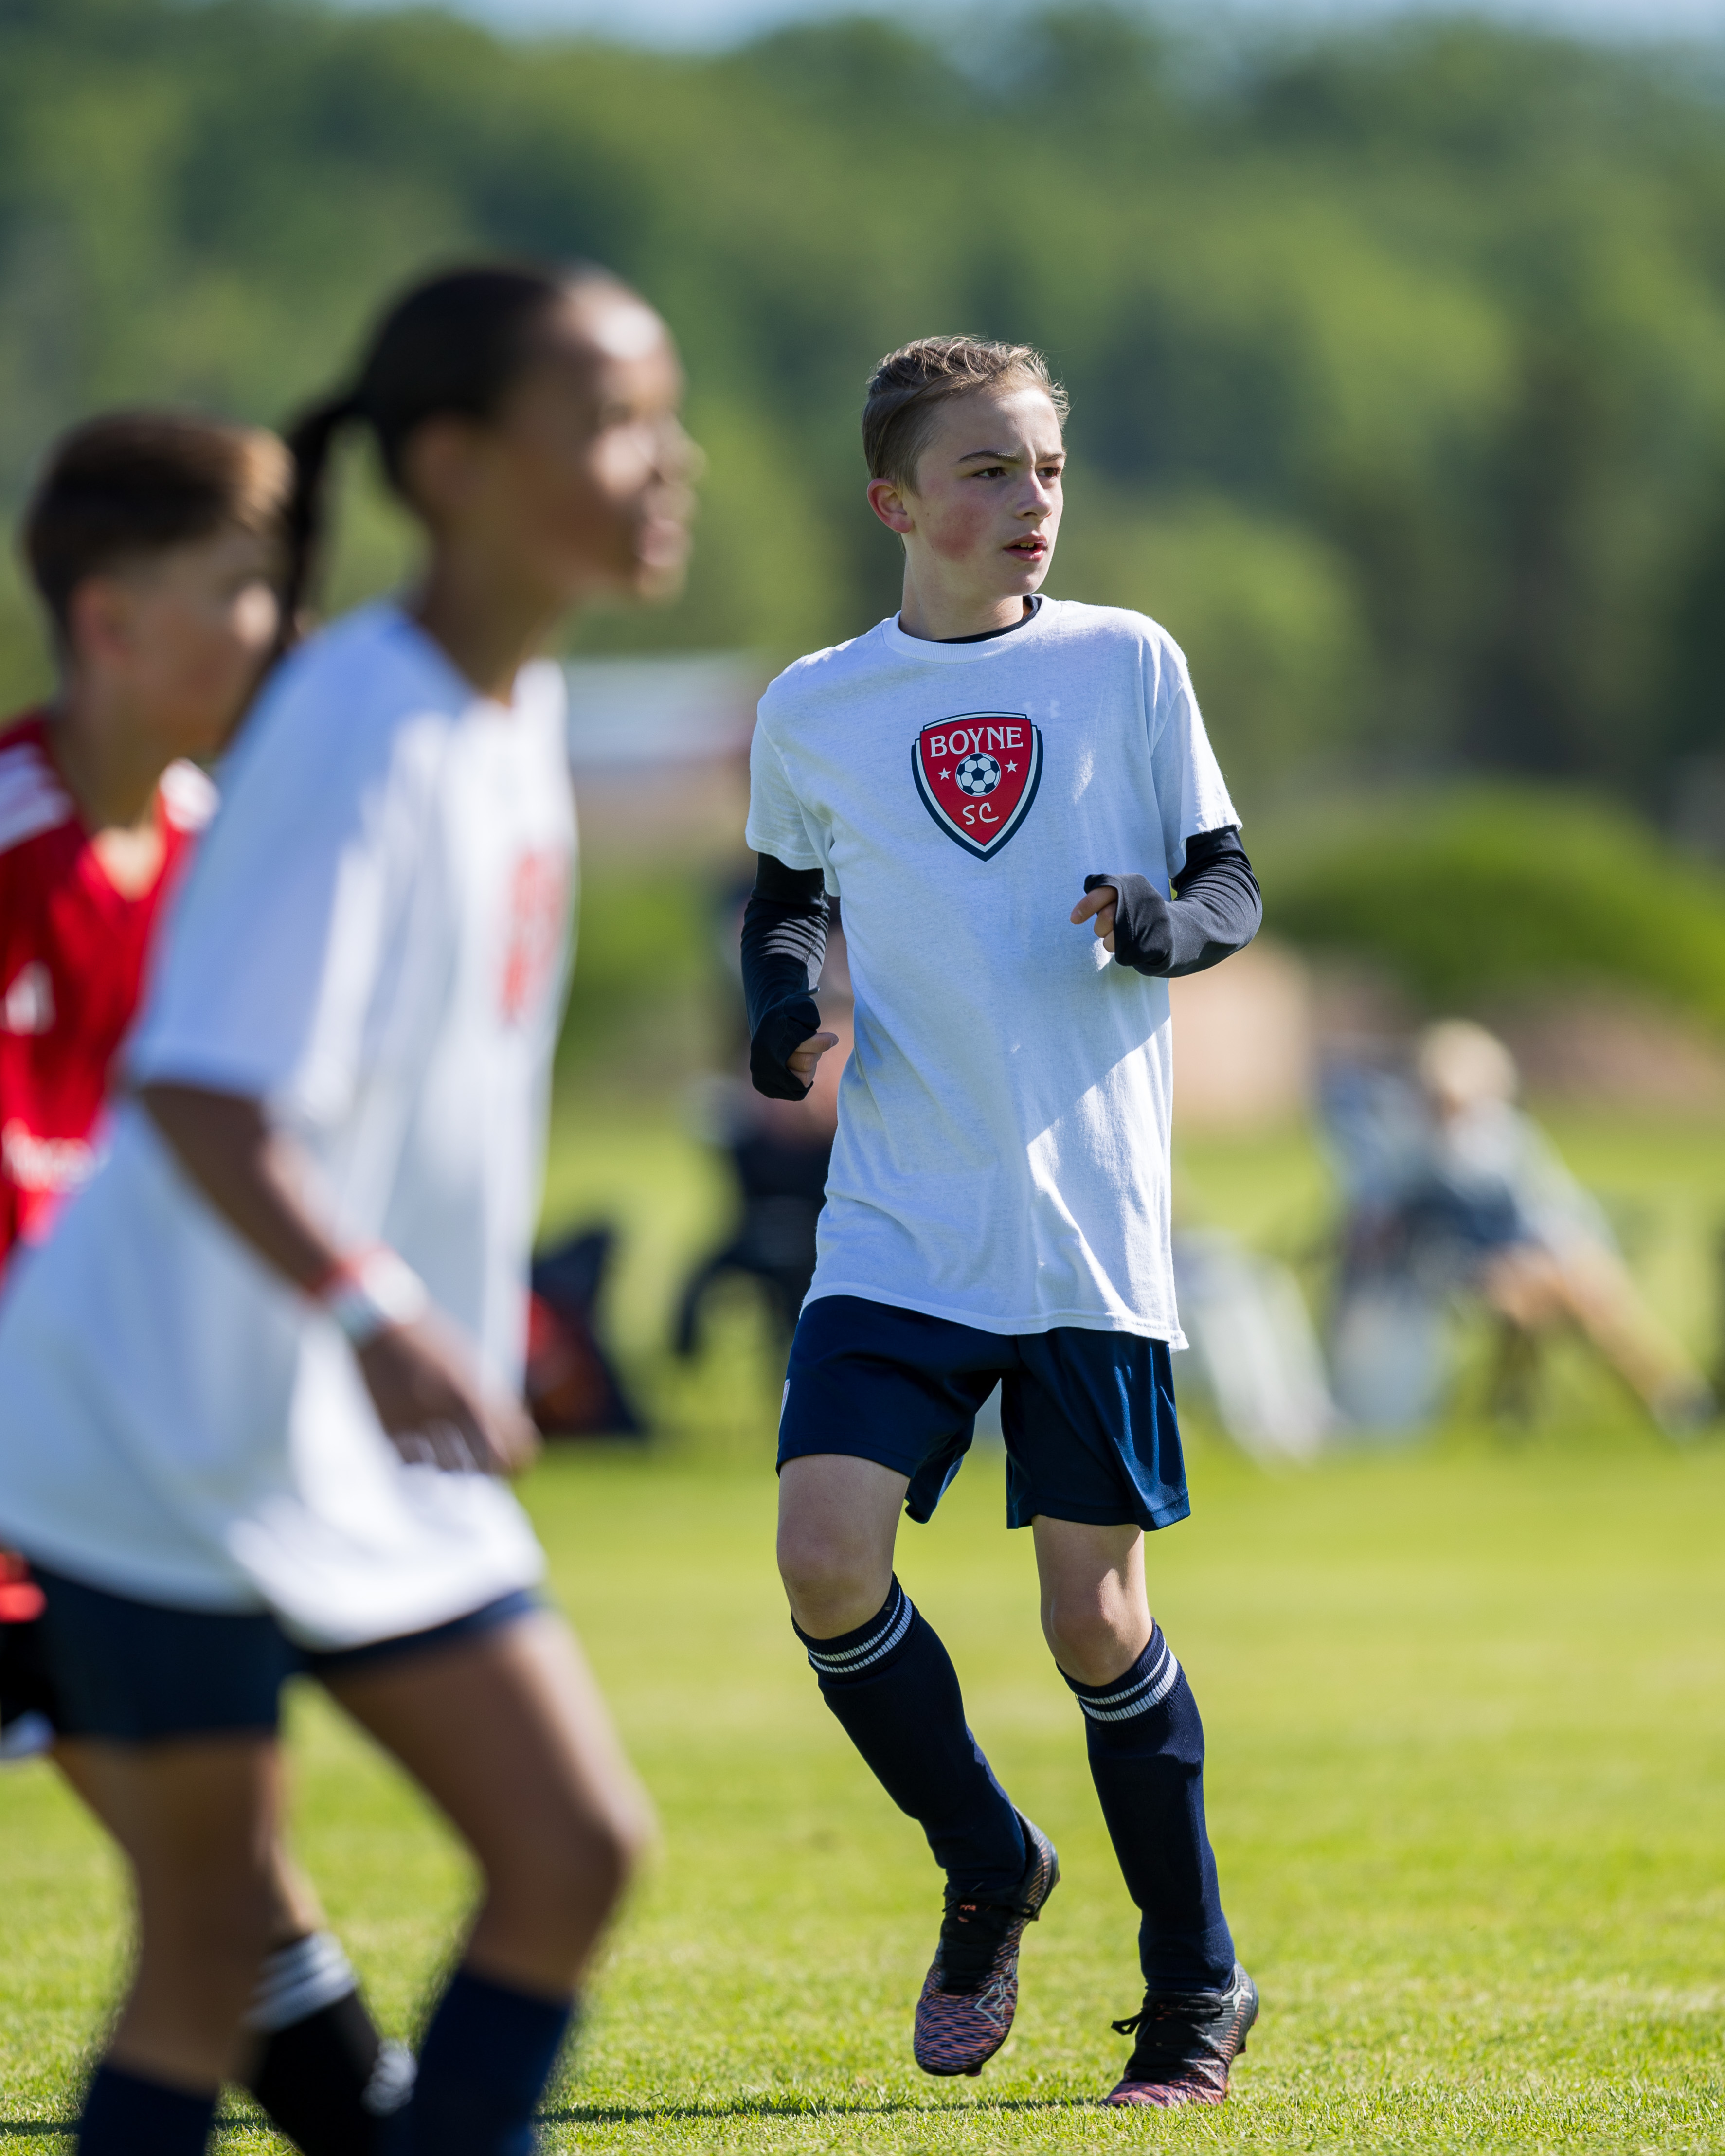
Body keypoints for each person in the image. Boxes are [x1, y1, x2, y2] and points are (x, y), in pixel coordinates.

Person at [0, 260, 696, 2156]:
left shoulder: (510, 712)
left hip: (331, 1424)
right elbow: (202, 1094)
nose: (668, 464)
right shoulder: (356, 725)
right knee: (207, 1949)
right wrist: (388, 1313)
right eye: (612, 423)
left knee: (568, 1850)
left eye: (667, 419)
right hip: (154, 1425)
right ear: (452, 465)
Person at [742, 336, 1264, 2109]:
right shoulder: (816, 701)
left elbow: (1226, 880)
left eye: (1043, 467)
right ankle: (989, 1860)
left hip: (1082, 1231)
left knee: (1092, 1622)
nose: (1029, 500)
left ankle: (1194, 1988)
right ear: (893, 502)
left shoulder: (1128, 661)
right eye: (985, 470)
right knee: (824, 1559)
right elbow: (787, 898)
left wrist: (1161, 930)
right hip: (899, 1221)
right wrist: (782, 1003)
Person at [0, 410, 413, 2150]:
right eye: (245, 589)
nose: (286, 633)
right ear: (109, 619)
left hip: (77, 1480)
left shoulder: (195, 849)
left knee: (229, 1890)